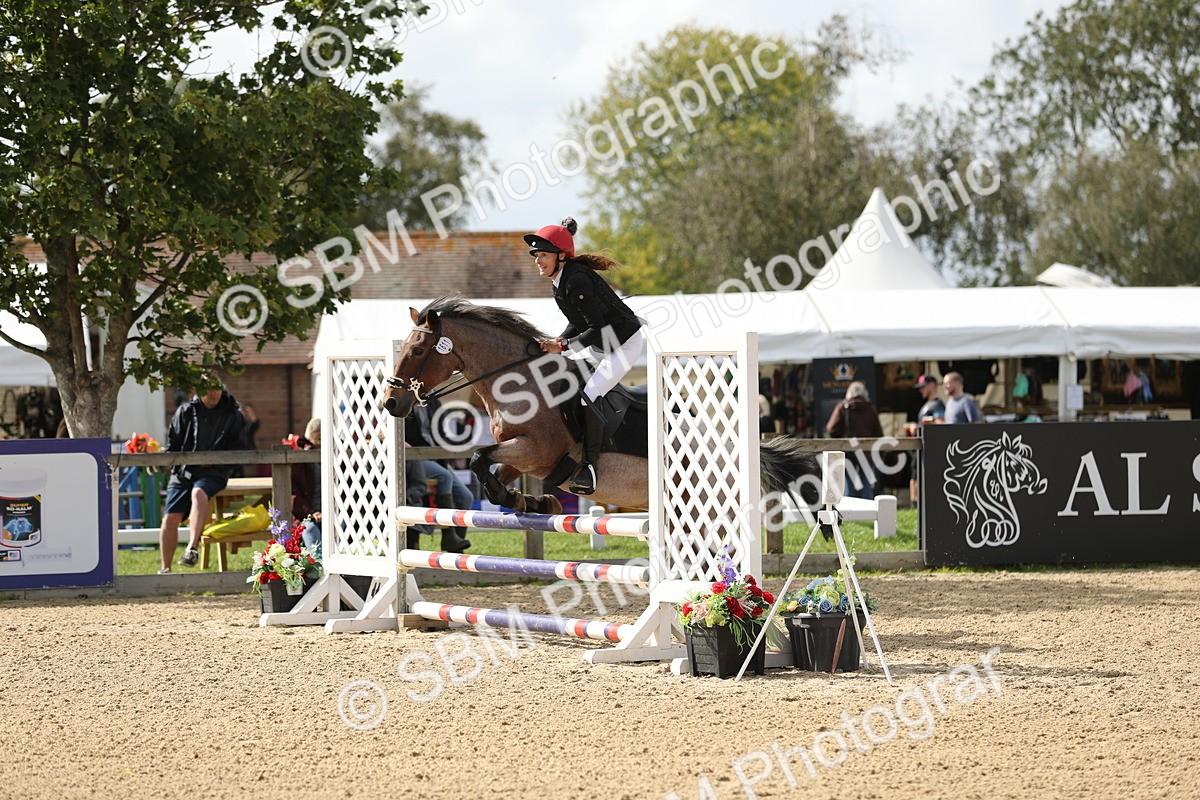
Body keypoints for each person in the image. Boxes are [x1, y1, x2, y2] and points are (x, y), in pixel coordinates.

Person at [525, 216, 645, 495]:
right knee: (563, 380)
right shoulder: (560, 281)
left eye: (543, 255)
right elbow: (578, 323)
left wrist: (564, 346)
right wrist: (558, 341)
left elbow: (598, 328)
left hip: (623, 344)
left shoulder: (576, 280)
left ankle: (589, 466)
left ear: (561, 255)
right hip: (601, 343)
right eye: (536, 256)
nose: (537, 261)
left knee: (589, 393)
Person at [157, 384, 250, 573]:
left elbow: (240, 450)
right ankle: (165, 569)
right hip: (183, 470)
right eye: (208, 389)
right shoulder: (185, 411)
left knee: (198, 493)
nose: (214, 393)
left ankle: (191, 548)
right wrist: (163, 461)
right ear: (198, 390)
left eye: (217, 389)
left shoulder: (233, 414)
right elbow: (173, 444)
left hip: (215, 472)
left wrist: (217, 462)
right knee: (170, 518)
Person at [404, 399, 472, 553]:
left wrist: (446, 454)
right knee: (444, 477)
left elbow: (442, 434)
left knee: (466, 496)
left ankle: (454, 547)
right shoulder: (403, 398)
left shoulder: (434, 402)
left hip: (436, 457)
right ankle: (449, 535)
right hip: (414, 458)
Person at [825, 381, 884, 499]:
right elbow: (879, 434)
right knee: (867, 486)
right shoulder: (870, 409)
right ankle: (868, 513)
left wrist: (840, 439)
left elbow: (831, 428)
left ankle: (849, 514)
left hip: (848, 452)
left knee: (849, 487)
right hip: (866, 453)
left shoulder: (843, 407)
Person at [910, 374, 945, 508]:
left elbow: (941, 425)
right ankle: (914, 505)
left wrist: (920, 426)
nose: (921, 390)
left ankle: (917, 505)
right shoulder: (929, 404)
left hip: (929, 449)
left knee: (919, 476)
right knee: (915, 474)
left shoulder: (937, 405)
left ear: (932, 385)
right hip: (922, 447)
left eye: (923, 387)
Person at [290, 417, 323, 556]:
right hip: (305, 515)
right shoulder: (299, 458)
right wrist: (311, 513)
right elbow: (293, 496)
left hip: (334, 514)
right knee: (309, 529)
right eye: (319, 434)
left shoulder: (337, 453)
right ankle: (319, 567)